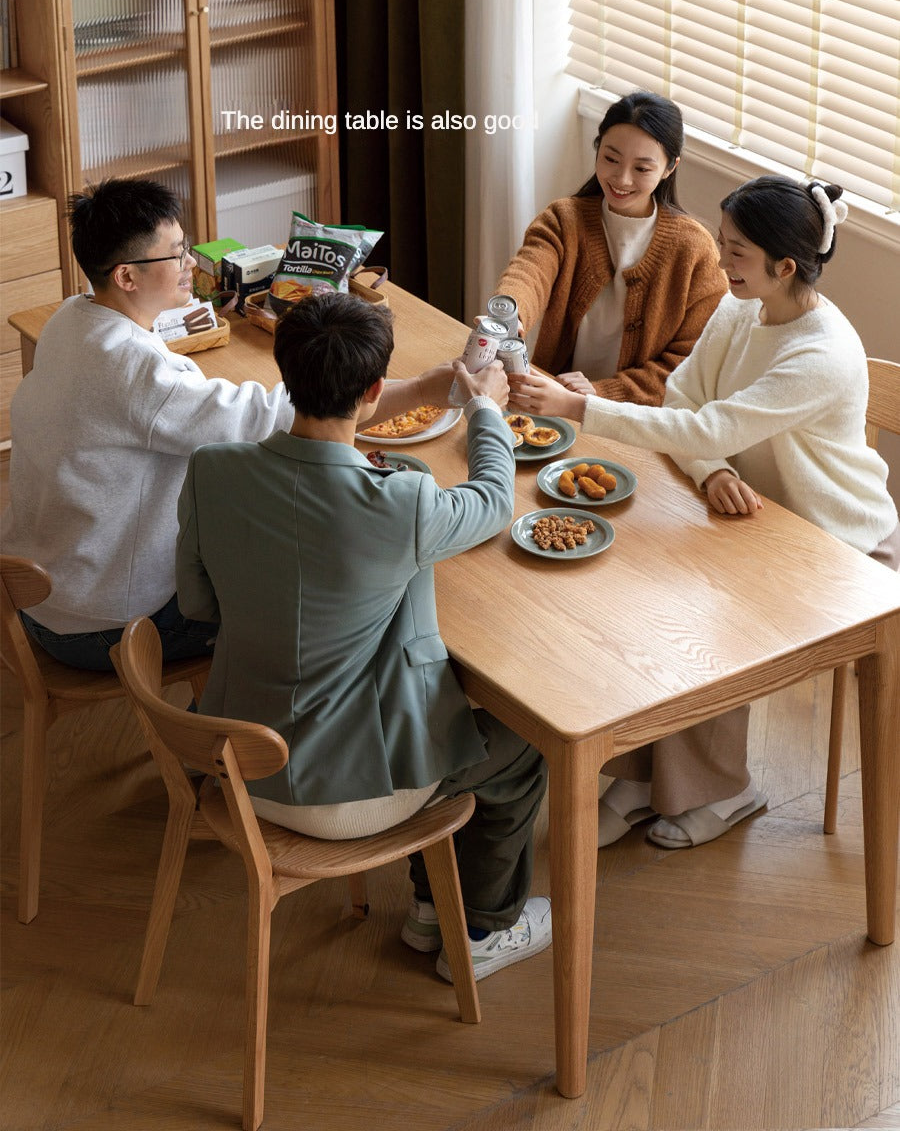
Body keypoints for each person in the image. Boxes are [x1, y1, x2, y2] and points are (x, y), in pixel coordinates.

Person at [508, 174, 900, 849]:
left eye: (736, 252)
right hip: (756, 512)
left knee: (701, 607)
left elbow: (710, 426)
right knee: (641, 580)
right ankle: (642, 777)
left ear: (784, 266)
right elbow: (684, 402)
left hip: (839, 546)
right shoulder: (743, 306)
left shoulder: (820, 353)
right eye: (724, 245)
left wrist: (581, 407)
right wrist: (714, 470)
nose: (721, 263)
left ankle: (726, 789)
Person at [175, 291, 551, 981]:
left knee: (430, 708)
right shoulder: (399, 501)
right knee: (523, 742)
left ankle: (430, 908)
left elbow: (199, 604)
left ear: (285, 377)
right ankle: (479, 927)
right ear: (377, 390)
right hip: (342, 801)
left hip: (235, 761)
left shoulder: (212, 472)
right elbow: (495, 500)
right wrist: (487, 409)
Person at [1, 179, 457, 671]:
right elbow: (297, 414)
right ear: (127, 277)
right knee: (328, 587)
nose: (191, 264)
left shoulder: (71, 317)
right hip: (109, 624)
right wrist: (426, 388)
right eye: (175, 256)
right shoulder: (141, 375)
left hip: (46, 594)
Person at [494, 90, 726, 405]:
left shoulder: (695, 251)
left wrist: (601, 394)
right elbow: (531, 270)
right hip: (550, 401)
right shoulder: (564, 220)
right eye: (610, 158)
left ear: (670, 167)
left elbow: (690, 361)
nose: (621, 178)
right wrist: (511, 313)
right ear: (598, 148)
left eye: (642, 168)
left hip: (638, 420)